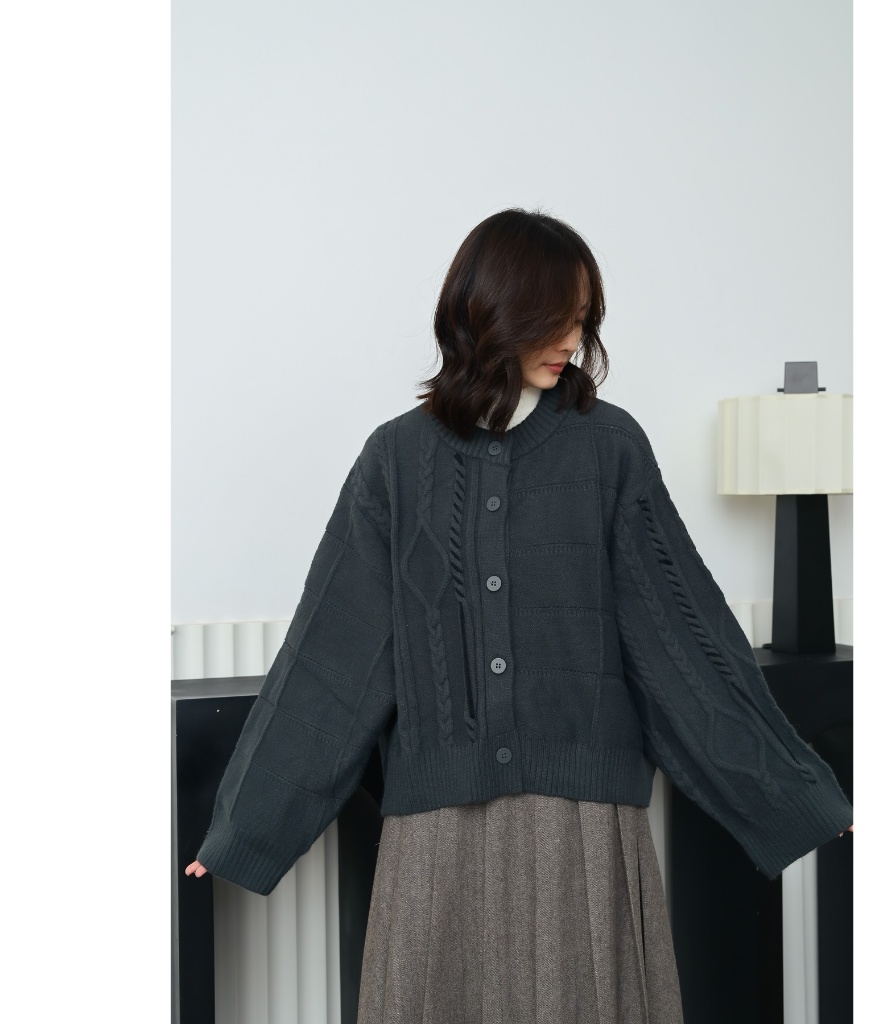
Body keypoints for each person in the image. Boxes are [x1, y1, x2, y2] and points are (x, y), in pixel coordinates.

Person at [186, 208, 853, 1023]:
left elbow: (682, 642)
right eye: (556, 318)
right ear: (491, 312)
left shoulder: (609, 449)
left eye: (583, 318)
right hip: (437, 839)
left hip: (583, 831)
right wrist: (245, 828)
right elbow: (333, 656)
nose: (573, 339)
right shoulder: (396, 461)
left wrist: (801, 797)